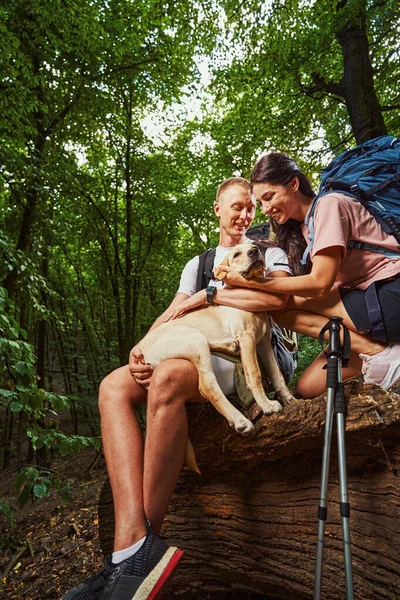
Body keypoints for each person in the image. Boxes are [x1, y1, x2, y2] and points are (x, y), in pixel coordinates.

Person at [62, 177, 293, 600]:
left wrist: (210, 294)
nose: (245, 215)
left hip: (245, 356)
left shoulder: (267, 251)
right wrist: (141, 346)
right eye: (237, 207)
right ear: (218, 209)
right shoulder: (199, 262)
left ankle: (134, 555)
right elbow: (174, 312)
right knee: (112, 386)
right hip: (198, 348)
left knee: (167, 378)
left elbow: (277, 302)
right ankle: (128, 553)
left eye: (250, 208)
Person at [213, 153, 400, 399]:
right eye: (261, 202)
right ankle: (377, 351)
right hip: (366, 301)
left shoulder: (329, 205)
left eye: (269, 197)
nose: (266, 209)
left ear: (293, 184)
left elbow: (320, 285)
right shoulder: (304, 228)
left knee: (282, 306)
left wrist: (252, 281)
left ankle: (381, 354)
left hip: (390, 294)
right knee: (308, 387)